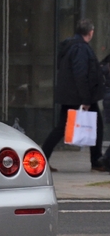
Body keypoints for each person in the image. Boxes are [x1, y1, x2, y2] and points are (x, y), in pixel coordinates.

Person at [41, 18, 105, 172]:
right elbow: (81, 74)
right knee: (96, 126)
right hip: (79, 96)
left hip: (71, 95)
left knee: (61, 128)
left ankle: (41, 158)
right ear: (90, 33)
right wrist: (86, 99)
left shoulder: (70, 46)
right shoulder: (80, 48)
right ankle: (96, 161)